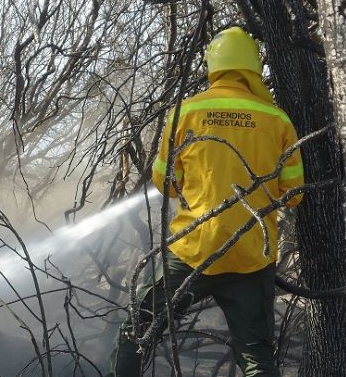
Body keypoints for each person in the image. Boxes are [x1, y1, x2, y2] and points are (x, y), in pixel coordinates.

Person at [108, 26, 305, 376]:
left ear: (213, 66)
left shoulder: (188, 111)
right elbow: (294, 193)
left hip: (192, 251)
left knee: (137, 333)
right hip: (252, 255)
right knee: (257, 359)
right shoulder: (278, 120)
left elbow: (165, 182)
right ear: (251, 68)